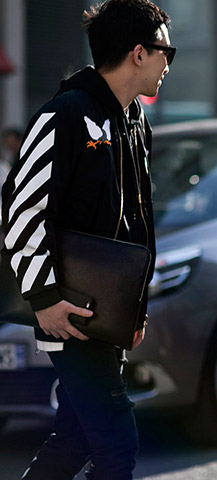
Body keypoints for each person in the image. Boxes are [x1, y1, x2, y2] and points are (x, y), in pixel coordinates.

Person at [1, 0, 173, 478]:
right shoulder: (66, 114)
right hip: (67, 314)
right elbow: (21, 211)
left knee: (73, 440)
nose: (167, 62)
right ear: (138, 53)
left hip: (106, 316)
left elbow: (139, 222)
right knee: (118, 442)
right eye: (165, 50)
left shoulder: (136, 119)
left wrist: (132, 311)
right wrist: (45, 300)